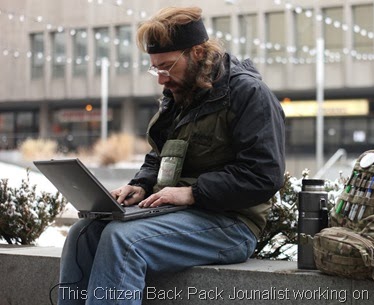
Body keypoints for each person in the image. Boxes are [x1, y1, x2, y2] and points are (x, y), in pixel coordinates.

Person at [58, 6, 285, 305]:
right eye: (155, 68)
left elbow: (264, 176)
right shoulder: (180, 94)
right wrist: (140, 184)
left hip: (232, 225)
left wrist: (192, 193)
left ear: (198, 53)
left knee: (122, 240)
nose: (161, 80)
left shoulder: (248, 94)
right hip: (179, 215)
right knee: (82, 233)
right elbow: (159, 156)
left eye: (166, 66)